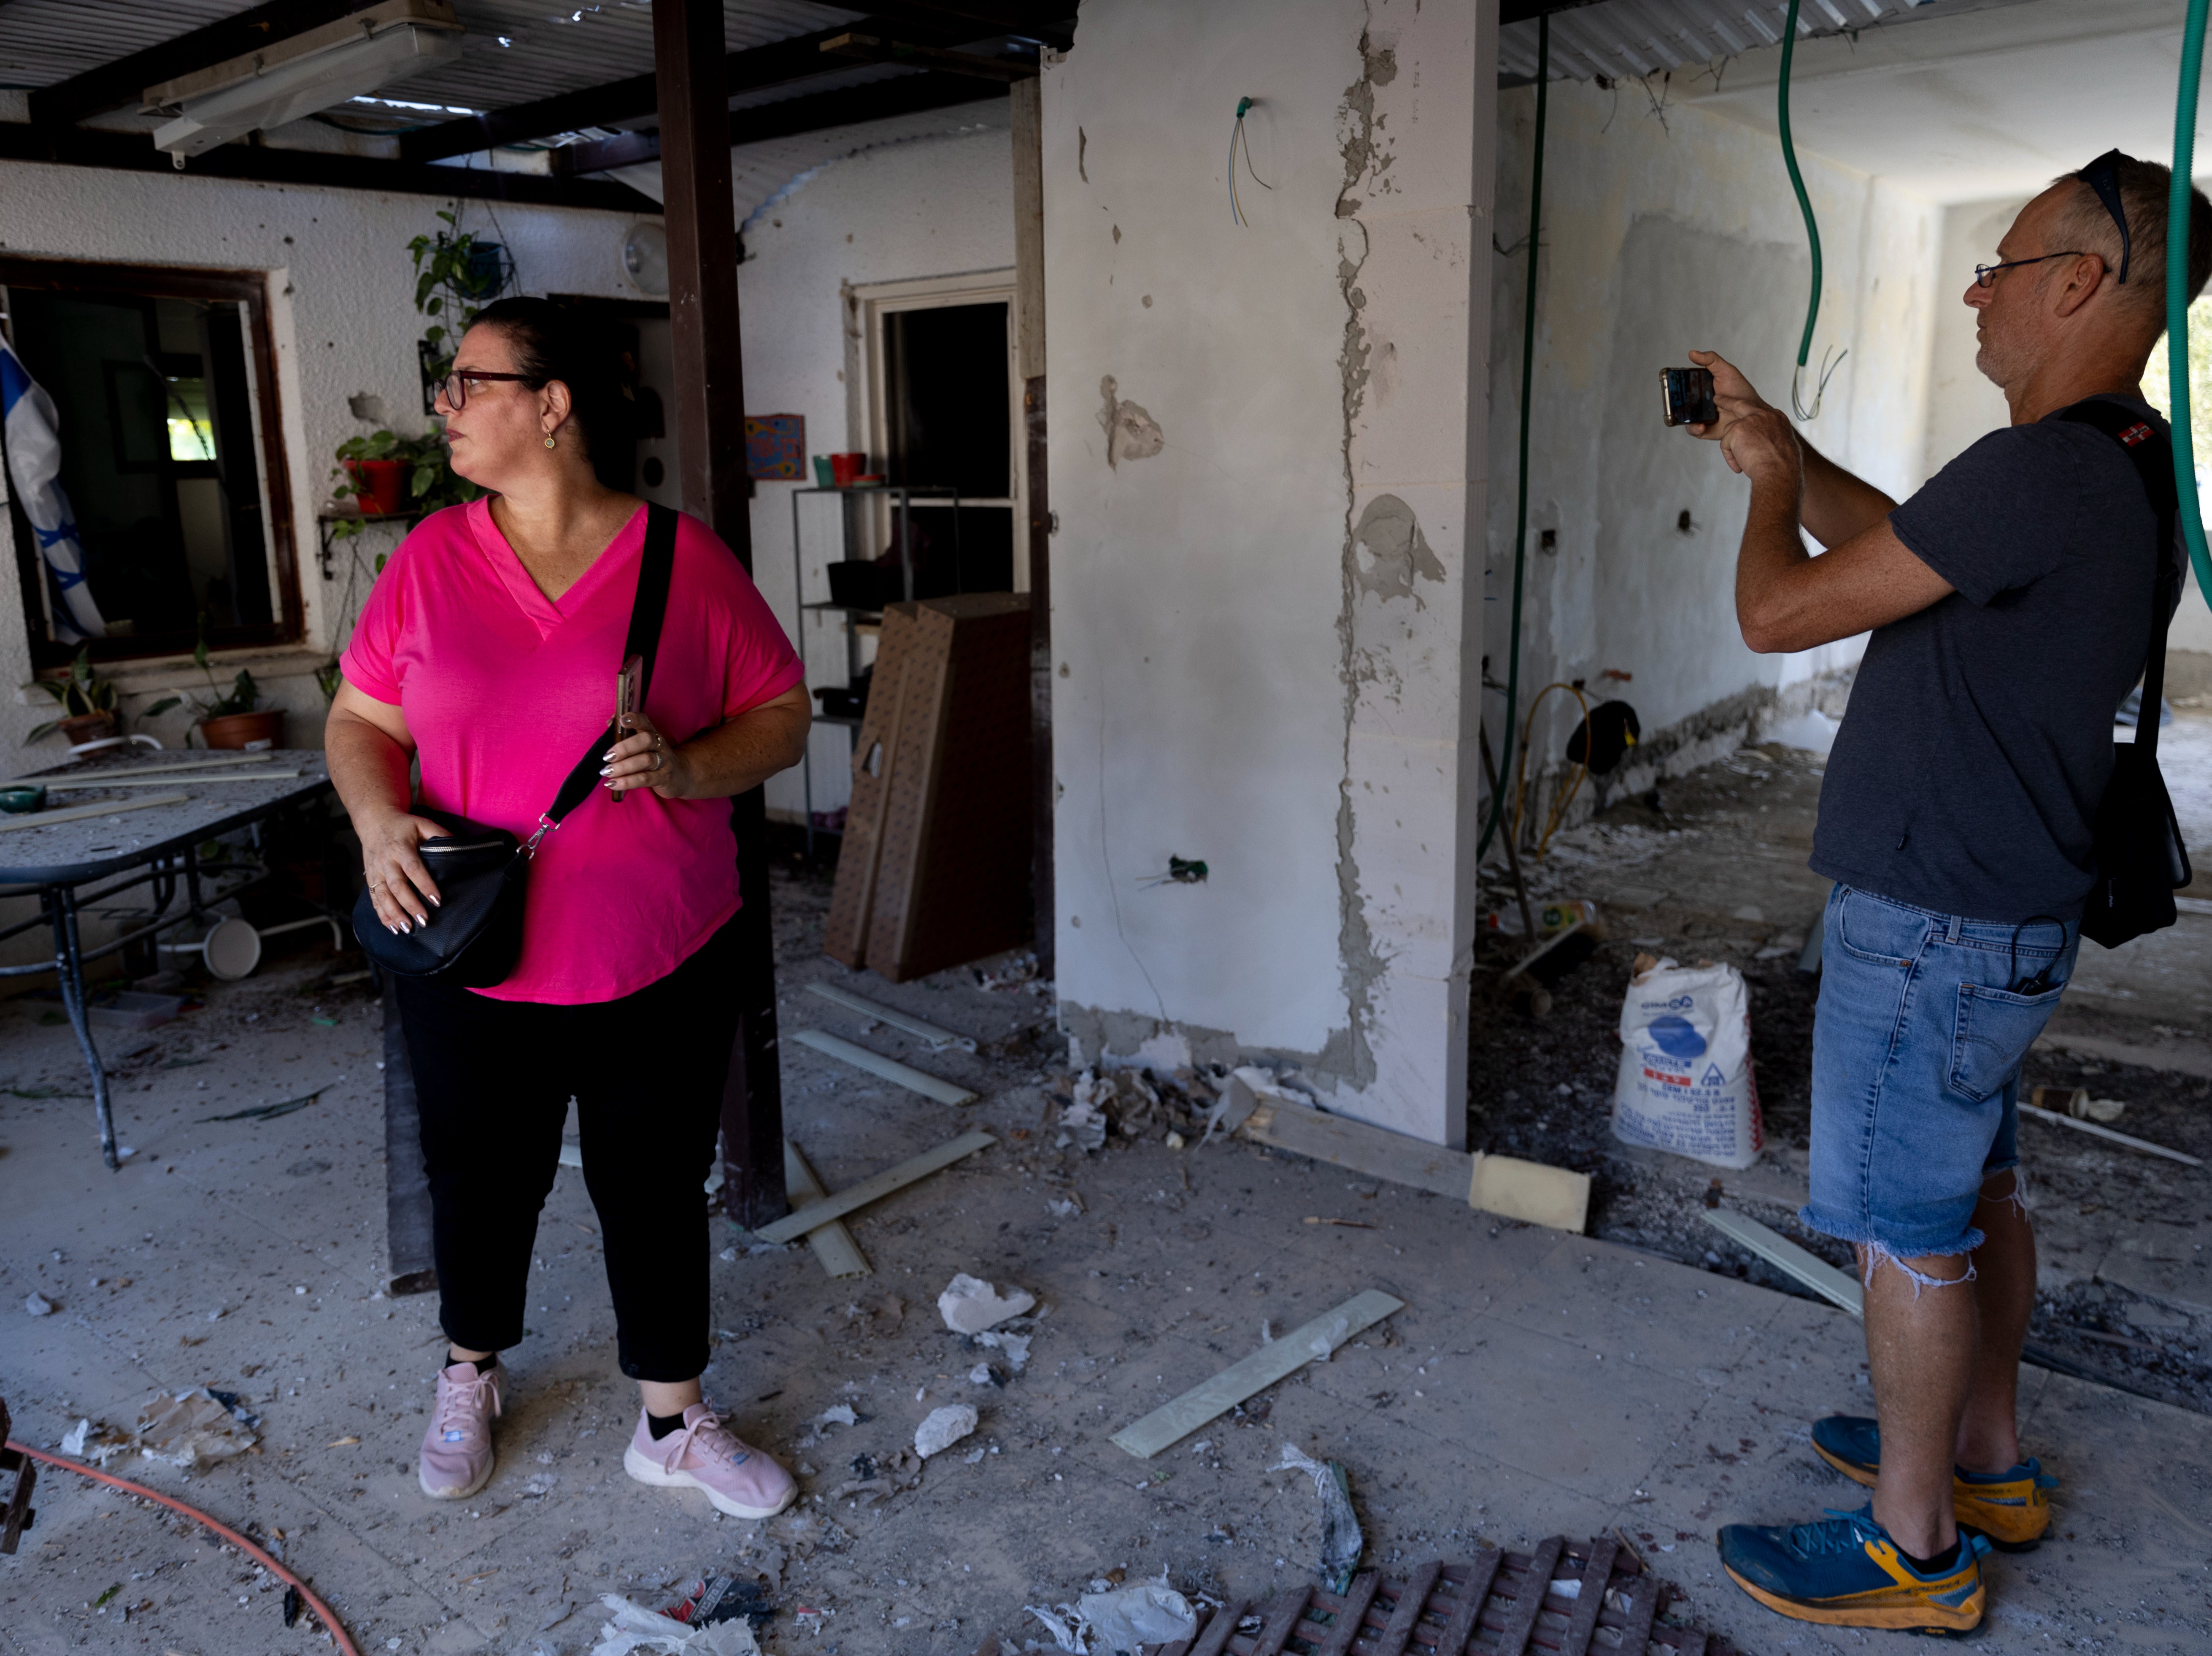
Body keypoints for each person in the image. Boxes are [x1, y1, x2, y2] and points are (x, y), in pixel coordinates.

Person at [1686, 152, 2209, 1634]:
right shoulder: (2116, 460)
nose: (1977, 288)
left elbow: (1775, 607)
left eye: (2000, 260)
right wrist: (1786, 446)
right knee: (1977, 1188)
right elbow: (1914, 541)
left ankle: (1914, 1546)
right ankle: (1983, 1459)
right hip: (2000, 917)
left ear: (2080, 282)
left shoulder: (2038, 467)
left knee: (1901, 1227)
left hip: (1932, 927)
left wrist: (1770, 490)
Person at [325, 298, 813, 1518]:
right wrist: (380, 820)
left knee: (651, 1185)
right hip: (472, 949)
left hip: (658, 949)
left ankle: (670, 1419)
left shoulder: (677, 560)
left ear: (551, 406)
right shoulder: (430, 559)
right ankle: (469, 1371)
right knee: (480, 1178)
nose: (443, 407)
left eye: (466, 384)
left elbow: (780, 710)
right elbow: (362, 720)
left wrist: (692, 766)